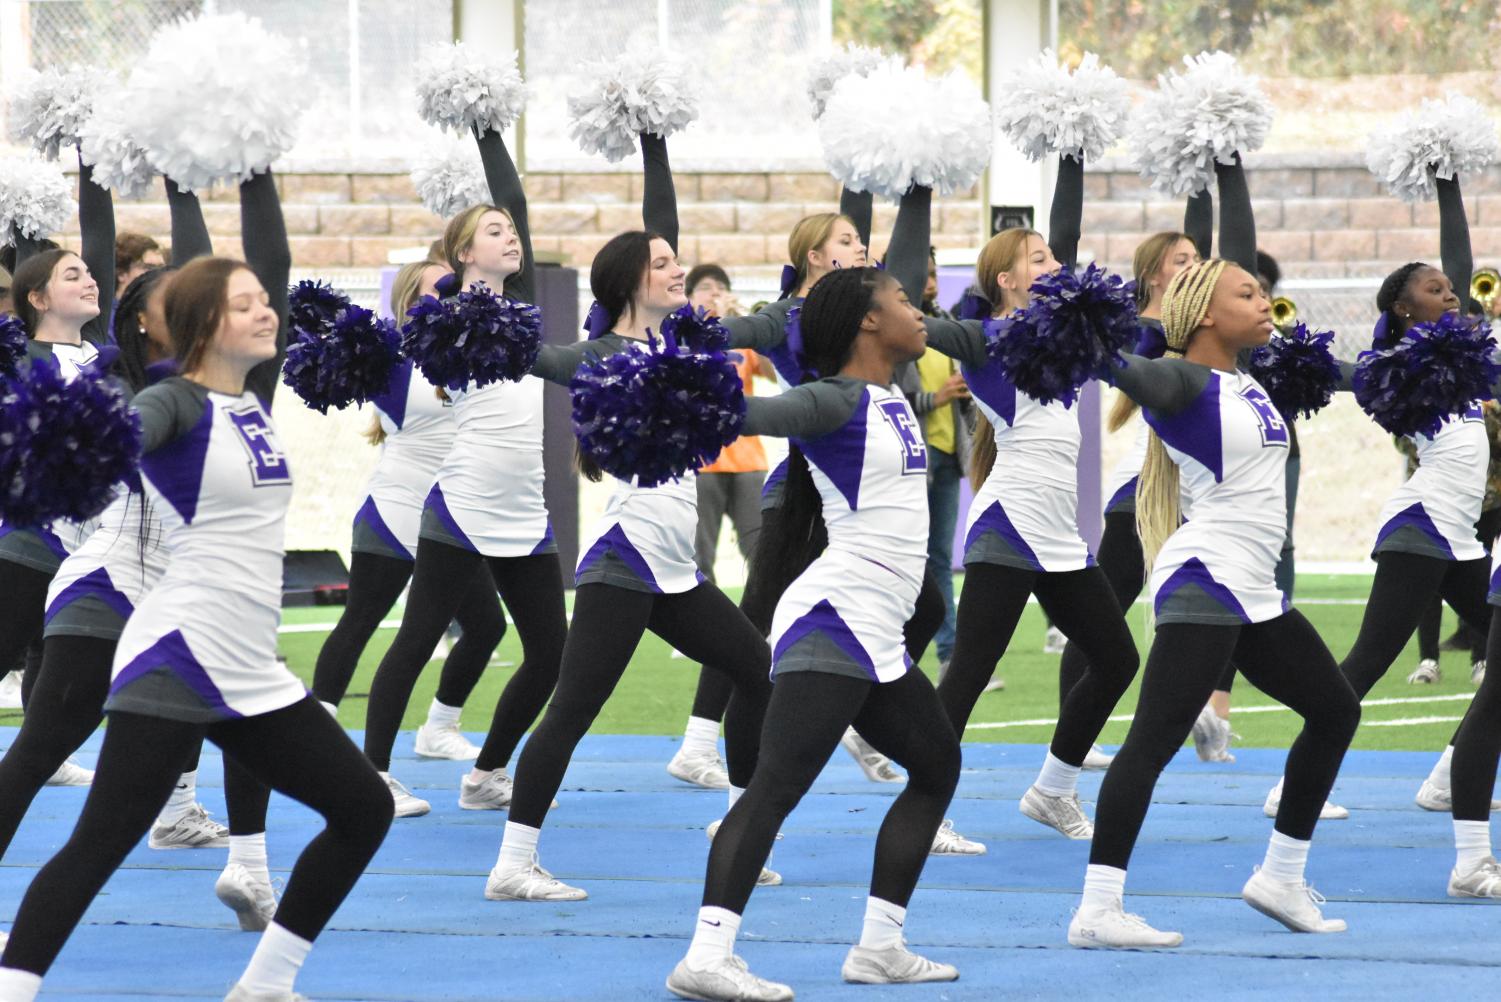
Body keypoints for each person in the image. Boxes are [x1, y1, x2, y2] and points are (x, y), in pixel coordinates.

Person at [0, 172, 394, 1002]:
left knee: (363, 810)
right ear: (202, 322)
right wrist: (78, 441)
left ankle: (264, 984)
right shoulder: (171, 402)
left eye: (262, 301)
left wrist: (249, 166)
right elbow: (125, 431)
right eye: (243, 302)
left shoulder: (250, 397)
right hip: (176, 652)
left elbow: (276, 260)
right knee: (100, 841)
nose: (264, 309)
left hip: (249, 661)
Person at [486, 130, 775, 902]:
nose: (677, 268)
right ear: (625, 285)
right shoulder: (598, 355)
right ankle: (513, 864)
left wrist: (654, 140)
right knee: (572, 710)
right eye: (661, 264)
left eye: (674, 260)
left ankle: (739, 829)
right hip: (625, 560)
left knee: (756, 670)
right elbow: (537, 357)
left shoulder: (680, 338)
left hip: (674, 568)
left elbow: (662, 219)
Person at [668, 266, 961, 1002]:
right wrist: (667, 389)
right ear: (867, 322)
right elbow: (748, 415)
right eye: (900, 301)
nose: (917, 310)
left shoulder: (893, 396)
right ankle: (705, 955)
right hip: (835, 621)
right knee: (773, 790)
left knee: (937, 767)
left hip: (876, 633)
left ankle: (879, 948)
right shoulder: (832, 399)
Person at [1068, 257, 1361, 949]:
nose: (1265, 303)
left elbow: (1354, 378)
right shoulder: (1183, 379)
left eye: (1263, 292)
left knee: (1334, 710)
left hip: (1251, 587)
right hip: (1205, 578)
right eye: (1246, 294)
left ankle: (1280, 877)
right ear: (1204, 313)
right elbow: (1133, 375)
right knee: (1151, 742)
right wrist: (1087, 343)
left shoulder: (1246, 381)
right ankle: (1097, 908)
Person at [921, 150, 1139, 839]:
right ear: (1006, 278)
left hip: (1058, 534)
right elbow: (925, 323)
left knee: (1114, 659)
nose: (1054, 267)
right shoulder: (985, 341)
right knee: (967, 675)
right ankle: (924, 813)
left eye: (1052, 257)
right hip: (1009, 523)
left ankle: (1052, 789)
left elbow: (1069, 248)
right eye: (1038, 261)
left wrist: (1070, 154)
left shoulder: (1071, 337)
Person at [359, 122, 567, 820]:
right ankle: (373, 775)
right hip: (462, 498)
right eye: (495, 231)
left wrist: (492, 129)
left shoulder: (525, 307)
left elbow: (521, 211)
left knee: (549, 651)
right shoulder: (443, 318)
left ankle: (486, 771)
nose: (511, 238)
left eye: (513, 231)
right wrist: (480, 129)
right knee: (416, 637)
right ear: (461, 252)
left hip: (524, 504)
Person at [668, 263, 772, 791]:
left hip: (748, 457)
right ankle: (698, 634)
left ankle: (754, 626)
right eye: (708, 289)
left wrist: (742, 326)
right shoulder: (682, 335)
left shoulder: (740, 336)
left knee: (763, 548)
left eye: (722, 288)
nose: (717, 295)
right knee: (700, 552)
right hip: (704, 459)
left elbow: (770, 376)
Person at [910, 247, 970, 671]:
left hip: (948, 453)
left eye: (934, 274)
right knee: (916, 559)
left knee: (938, 558)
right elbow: (886, 392)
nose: (931, 282)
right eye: (924, 274)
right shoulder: (893, 328)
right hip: (913, 457)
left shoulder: (946, 325)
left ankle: (950, 656)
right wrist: (936, 397)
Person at [114, 232, 165, 297]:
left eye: (162, 268)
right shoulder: (104, 307)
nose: (159, 274)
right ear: (121, 273)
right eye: (149, 268)